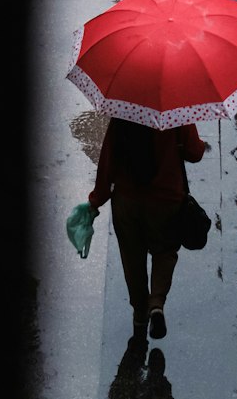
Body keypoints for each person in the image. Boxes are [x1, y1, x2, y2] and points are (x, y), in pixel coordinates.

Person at [87, 117, 208, 339]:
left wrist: (95, 201)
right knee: (165, 250)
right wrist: (197, 143)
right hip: (166, 199)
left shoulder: (123, 111)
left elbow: (107, 162)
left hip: (126, 201)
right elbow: (194, 153)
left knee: (132, 256)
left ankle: (140, 314)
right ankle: (157, 304)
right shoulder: (175, 111)